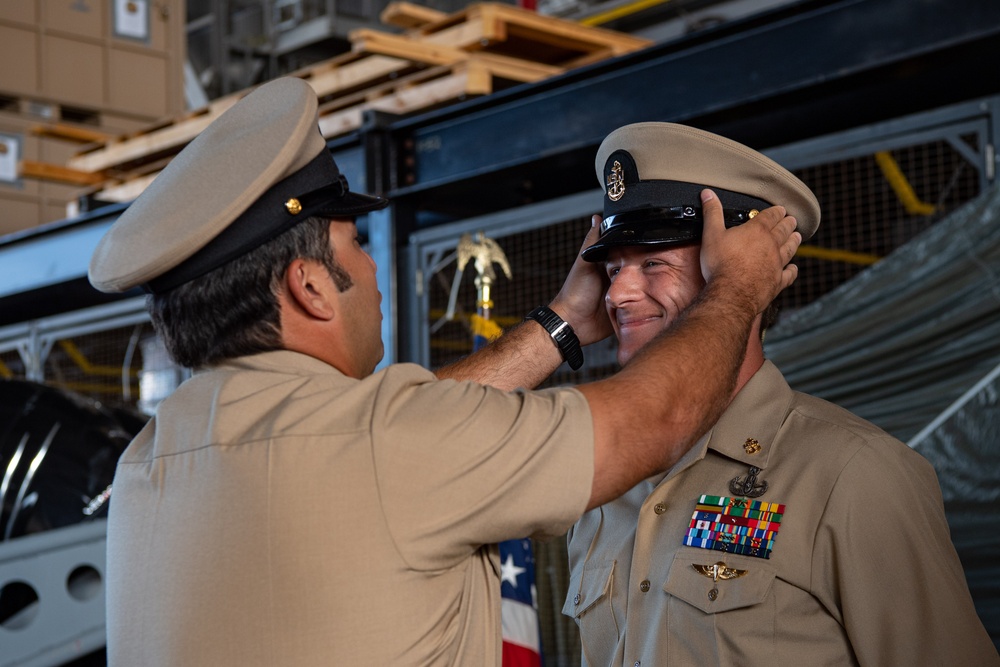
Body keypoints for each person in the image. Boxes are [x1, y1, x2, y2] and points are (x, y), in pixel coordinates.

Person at [88, 78, 801, 666]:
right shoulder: (390, 446)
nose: (371, 271)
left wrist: (560, 323)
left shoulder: (149, 464)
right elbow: (658, 417)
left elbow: (389, 437)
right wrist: (737, 288)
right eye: (357, 244)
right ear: (309, 287)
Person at [562, 121, 1000, 666]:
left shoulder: (854, 474)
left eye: (654, 263)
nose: (619, 293)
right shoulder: (607, 484)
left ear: (743, 276)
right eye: (612, 269)